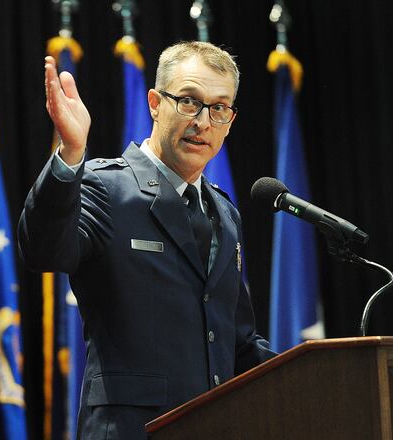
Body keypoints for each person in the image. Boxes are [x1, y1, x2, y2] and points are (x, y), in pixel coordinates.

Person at [18, 41, 275, 439]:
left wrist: (322, 373)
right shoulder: (106, 187)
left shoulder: (225, 214)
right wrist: (71, 153)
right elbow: (43, 249)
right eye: (189, 101)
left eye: (219, 108)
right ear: (155, 103)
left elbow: (236, 341)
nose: (203, 121)